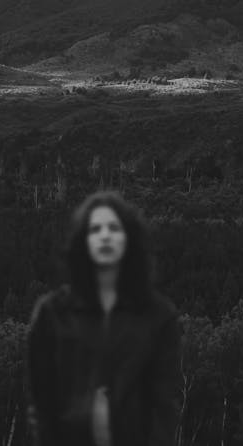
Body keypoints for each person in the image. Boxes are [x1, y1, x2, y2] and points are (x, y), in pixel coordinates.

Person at [26, 189, 182, 446]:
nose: (105, 235)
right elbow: (42, 404)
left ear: (129, 238)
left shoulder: (159, 317)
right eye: (95, 229)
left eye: (113, 227)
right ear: (82, 241)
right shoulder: (52, 314)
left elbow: (164, 404)